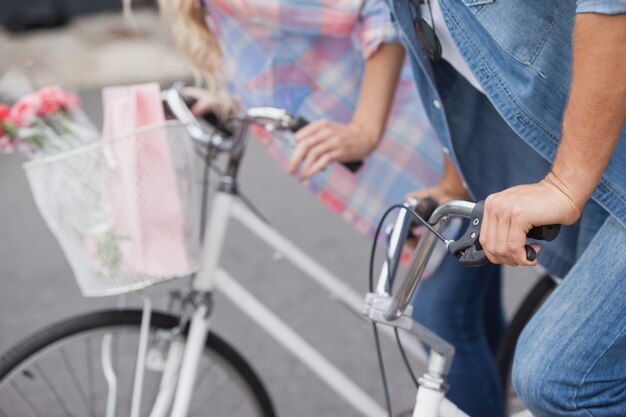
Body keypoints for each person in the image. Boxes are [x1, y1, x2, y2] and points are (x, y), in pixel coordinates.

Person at [157, 1, 509, 416]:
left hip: (427, 157)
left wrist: (364, 127)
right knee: (473, 319)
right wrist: (229, 100)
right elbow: (282, 59)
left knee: (442, 318)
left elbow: (380, 8)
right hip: (437, 148)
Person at [388, 0, 626, 415]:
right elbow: (463, 75)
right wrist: (452, 182)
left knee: (561, 378)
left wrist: (566, 183)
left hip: (595, 163)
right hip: (603, 163)